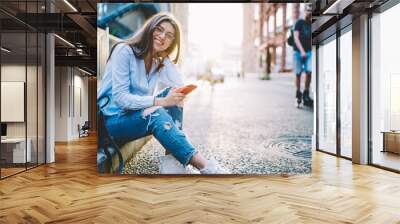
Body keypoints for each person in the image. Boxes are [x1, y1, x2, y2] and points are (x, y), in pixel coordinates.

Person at [97, 13, 228, 174]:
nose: (162, 37)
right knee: (156, 112)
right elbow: (121, 98)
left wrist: (165, 58)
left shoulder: (156, 62)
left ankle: (172, 162)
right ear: (149, 29)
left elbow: (178, 84)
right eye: (159, 30)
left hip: (131, 117)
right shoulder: (124, 51)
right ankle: (206, 167)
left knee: (175, 93)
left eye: (169, 36)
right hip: (111, 123)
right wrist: (160, 101)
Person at [293, 5, 313, 107]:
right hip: (298, 52)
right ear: (304, 11)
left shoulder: (311, 24)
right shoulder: (299, 22)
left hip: (309, 52)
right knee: (298, 73)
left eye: (311, 11)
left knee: (309, 72)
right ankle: (298, 94)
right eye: (308, 10)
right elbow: (296, 38)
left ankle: (306, 93)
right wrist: (302, 51)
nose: (309, 12)